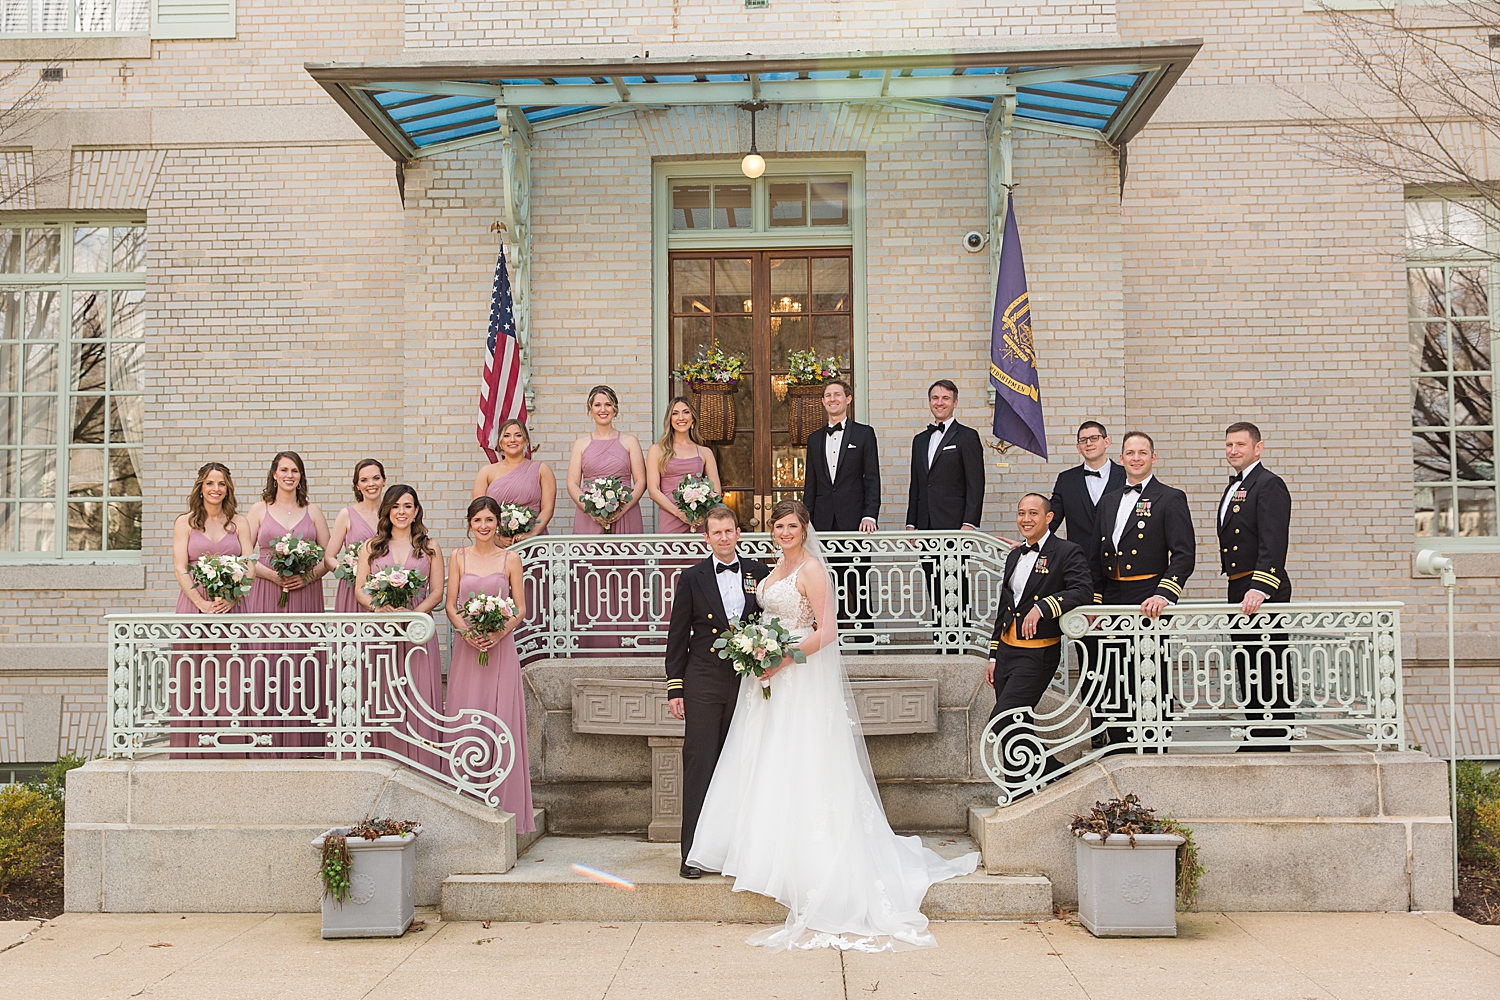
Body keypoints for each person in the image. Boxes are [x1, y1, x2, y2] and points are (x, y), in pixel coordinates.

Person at [688, 499, 978, 952]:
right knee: (764, 760)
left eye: (791, 525)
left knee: (802, 760)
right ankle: (758, 853)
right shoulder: (770, 569)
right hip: (766, 684)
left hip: (797, 679)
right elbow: (764, 617)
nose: (784, 532)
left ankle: (805, 858)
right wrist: (756, 650)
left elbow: (827, 632)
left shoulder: (812, 570)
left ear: (805, 528)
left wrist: (783, 658)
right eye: (777, 525)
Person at [664, 505, 770, 878]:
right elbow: (678, 634)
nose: (724, 538)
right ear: (706, 537)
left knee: (742, 765)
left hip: (748, 680)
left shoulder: (759, 573)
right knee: (700, 763)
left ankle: (736, 852)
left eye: (729, 531)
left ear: (738, 533)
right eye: (716, 533)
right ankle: (692, 852)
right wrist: (674, 685)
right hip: (704, 680)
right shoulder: (692, 577)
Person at [1088, 432, 1195, 750]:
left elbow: (1184, 553)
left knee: (1150, 668)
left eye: (1142, 452)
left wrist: (1165, 593)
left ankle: (1155, 738)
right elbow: (1096, 556)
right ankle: (1120, 741)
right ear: (1121, 458)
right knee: (1115, 671)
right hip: (1112, 597)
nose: (1136, 458)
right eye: (1130, 453)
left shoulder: (1170, 498)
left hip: (1149, 595)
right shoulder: (1108, 501)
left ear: (1153, 457)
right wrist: (1095, 602)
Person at [984, 493, 1092, 792]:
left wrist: (1045, 607)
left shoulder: (1067, 552)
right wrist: (993, 656)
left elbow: (1082, 590)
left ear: (1049, 518)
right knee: (1015, 727)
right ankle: (1018, 790)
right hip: (1006, 651)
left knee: (1003, 720)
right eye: (1021, 513)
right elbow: (1004, 608)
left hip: (1037, 654)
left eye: (1033, 513)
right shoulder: (1015, 555)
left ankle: (1054, 769)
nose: (1026, 519)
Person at [445, 496, 534, 832]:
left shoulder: (511, 558)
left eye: (489, 520)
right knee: (466, 713)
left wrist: (498, 633)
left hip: (500, 647)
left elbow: (521, 608)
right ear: (470, 523)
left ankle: (504, 802)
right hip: (468, 648)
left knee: (500, 717)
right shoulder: (457, 557)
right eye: (478, 520)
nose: (483, 526)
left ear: (498, 523)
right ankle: (465, 798)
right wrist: (468, 633)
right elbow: (451, 604)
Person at [355, 485, 445, 774]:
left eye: (407, 506)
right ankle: (384, 764)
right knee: (384, 694)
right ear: (387, 511)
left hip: (417, 634)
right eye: (395, 506)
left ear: (416, 510)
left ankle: (423, 768)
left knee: (418, 694)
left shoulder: (430, 548)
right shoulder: (371, 547)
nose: (401, 512)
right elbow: (359, 590)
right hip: (382, 634)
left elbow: (437, 592)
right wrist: (378, 609)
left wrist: (413, 615)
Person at [244, 451, 330, 750]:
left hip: (305, 593)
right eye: (284, 470)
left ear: (300, 476)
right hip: (268, 592)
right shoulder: (258, 510)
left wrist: (306, 577)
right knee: (266, 657)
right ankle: (264, 735)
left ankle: (306, 738)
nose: (289, 475)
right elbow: (244, 558)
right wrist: (271, 576)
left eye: (295, 470)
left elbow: (328, 558)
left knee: (303, 658)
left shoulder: (313, 510)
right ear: (274, 474)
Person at [1218, 421, 1293, 752]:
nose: (1234, 451)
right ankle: (1256, 731)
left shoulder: (1269, 484)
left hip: (1262, 586)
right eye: (1229, 445)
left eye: (1240, 445)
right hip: (1239, 585)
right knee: (1246, 661)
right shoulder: (1236, 485)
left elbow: (1274, 541)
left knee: (1268, 661)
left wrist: (1261, 586)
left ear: (1257, 448)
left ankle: (1276, 736)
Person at [170, 462, 255, 755]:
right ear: (201, 487)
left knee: (231, 671)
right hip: (196, 604)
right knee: (194, 672)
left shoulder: (239, 523)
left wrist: (232, 597)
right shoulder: (185, 522)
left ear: (227, 488)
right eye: (210, 483)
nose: (215, 489)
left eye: (220, 483)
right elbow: (181, 568)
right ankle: (192, 747)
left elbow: (249, 564)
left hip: (232, 604)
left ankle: (232, 745)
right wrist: (201, 603)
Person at [801, 380, 880, 646]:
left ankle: (864, 641)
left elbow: (872, 479)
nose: (832, 399)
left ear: (848, 399)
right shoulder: (813, 440)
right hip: (822, 522)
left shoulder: (864, 434)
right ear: (823, 402)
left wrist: (870, 515)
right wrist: (804, 523)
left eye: (837, 394)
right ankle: (829, 643)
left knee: (857, 581)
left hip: (855, 522)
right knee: (823, 583)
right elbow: (809, 486)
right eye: (827, 395)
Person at [905, 379, 984, 532]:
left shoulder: (967, 436)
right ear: (929, 402)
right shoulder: (919, 440)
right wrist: (911, 523)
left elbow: (975, 484)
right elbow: (916, 485)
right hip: (924, 524)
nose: (939, 403)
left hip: (955, 523)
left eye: (945, 398)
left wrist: (969, 523)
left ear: (955, 403)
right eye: (935, 398)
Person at [567, 384, 646, 534]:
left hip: (625, 513)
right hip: (589, 516)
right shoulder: (581, 444)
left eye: (608, 405)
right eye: (597, 405)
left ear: (615, 409)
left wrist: (621, 509)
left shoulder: (630, 441)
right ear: (590, 410)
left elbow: (641, 481)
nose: (603, 410)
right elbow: (572, 483)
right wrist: (591, 510)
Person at [1045, 421, 1126, 564]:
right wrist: (1030, 542)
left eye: (1094, 438)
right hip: (1079, 564)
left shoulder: (1126, 476)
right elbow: (1052, 518)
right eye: (1083, 440)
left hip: (1119, 564)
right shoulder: (1066, 480)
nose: (1088, 443)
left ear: (1106, 442)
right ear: (1078, 447)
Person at [472, 418, 555, 543]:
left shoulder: (541, 469)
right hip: (497, 543)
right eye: (506, 436)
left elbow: (548, 508)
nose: (512, 440)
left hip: (533, 542)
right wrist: (496, 538)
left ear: (526, 440)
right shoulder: (486, 472)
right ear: (500, 442)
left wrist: (532, 534)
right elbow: (478, 511)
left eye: (518, 435)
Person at [647, 396, 721, 533]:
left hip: (699, 519)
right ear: (670, 419)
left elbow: (716, 491)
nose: (681, 417)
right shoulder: (657, 450)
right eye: (675, 413)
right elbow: (653, 490)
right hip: (670, 518)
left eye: (686, 412)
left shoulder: (705, 452)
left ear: (692, 418)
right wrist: (679, 513)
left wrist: (701, 510)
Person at [326, 458, 386, 613]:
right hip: (353, 592)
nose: (371, 484)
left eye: (376, 478)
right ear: (357, 486)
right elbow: (329, 558)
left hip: (385, 592)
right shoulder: (347, 515)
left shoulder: (392, 514)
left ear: (384, 481)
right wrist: (350, 572)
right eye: (364, 480)